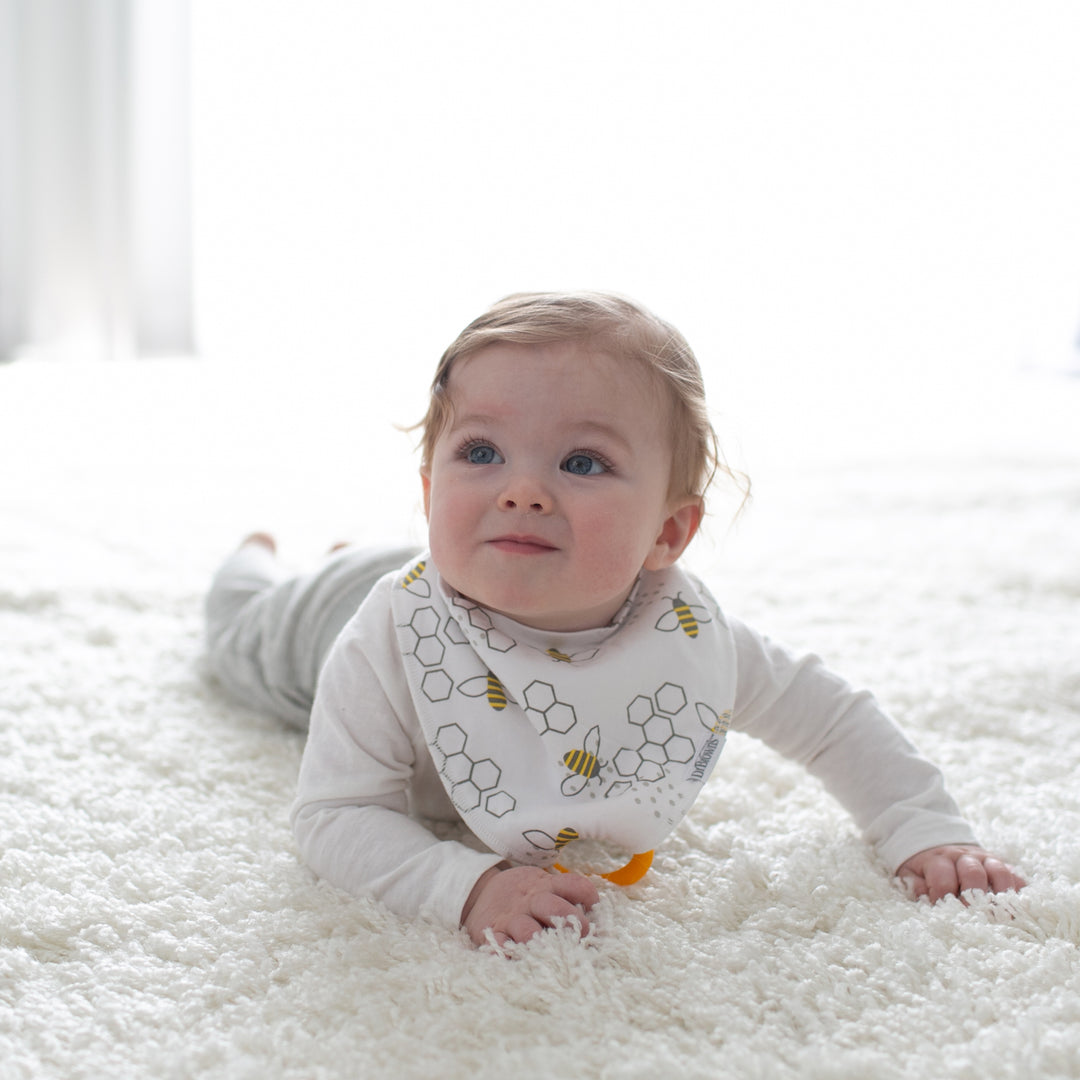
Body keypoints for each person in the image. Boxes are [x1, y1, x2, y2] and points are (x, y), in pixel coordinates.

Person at [204, 291, 1025, 949]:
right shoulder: (388, 634)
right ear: (428, 493)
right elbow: (336, 816)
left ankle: (335, 548)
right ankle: (253, 552)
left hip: (464, 558)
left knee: (414, 549)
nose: (520, 490)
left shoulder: (688, 637)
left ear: (669, 533)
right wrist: (466, 885)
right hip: (315, 625)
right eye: (480, 453)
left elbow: (835, 722)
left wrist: (922, 829)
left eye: (583, 462)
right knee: (239, 625)